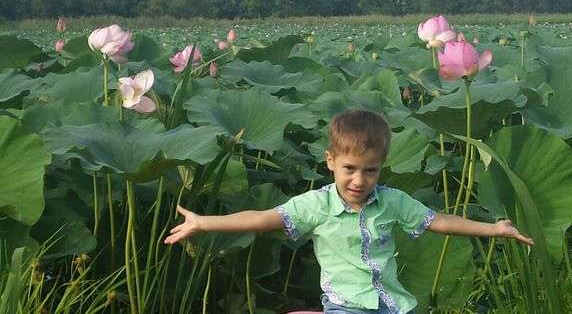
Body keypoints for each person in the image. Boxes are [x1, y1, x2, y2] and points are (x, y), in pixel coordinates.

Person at [164, 109, 533, 314]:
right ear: (331, 162)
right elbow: (261, 219)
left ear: (381, 167)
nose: (359, 180)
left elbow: (438, 221)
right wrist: (204, 222)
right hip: (345, 306)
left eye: (370, 170)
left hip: (392, 304)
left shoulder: (392, 201)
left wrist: (494, 228)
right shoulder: (316, 205)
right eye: (350, 169)